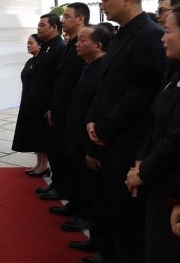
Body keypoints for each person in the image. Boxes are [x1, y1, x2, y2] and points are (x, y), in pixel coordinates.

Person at [86, 0, 166, 263]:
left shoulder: (150, 35)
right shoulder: (122, 34)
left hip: (130, 142)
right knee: (113, 208)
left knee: (130, 217)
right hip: (109, 138)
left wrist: (104, 127)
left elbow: (141, 95)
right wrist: (92, 121)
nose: (103, 5)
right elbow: (106, 84)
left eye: (106, 0)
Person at [125, 3, 180, 263]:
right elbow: (156, 123)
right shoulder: (177, 73)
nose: (163, 38)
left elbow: (176, 138)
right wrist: (141, 161)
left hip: (174, 182)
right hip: (158, 178)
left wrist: (142, 173)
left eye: (168, 31)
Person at [63, 25, 114, 262]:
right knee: (87, 188)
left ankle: (102, 243)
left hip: (92, 143)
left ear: (98, 45)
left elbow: (99, 109)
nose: (77, 44)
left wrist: (92, 148)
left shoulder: (105, 68)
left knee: (97, 195)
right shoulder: (89, 65)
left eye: (82, 40)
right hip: (78, 138)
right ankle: (95, 237)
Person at [44, 2, 88, 208]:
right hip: (61, 109)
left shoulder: (83, 44)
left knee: (72, 158)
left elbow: (79, 83)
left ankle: (75, 200)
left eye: (67, 17)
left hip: (73, 112)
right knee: (59, 152)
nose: (63, 20)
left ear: (80, 19)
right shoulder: (70, 43)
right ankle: (61, 186)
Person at [28, 14, 65, 190]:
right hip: (39, 105)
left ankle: (59, 184)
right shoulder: (48, 47)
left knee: (54, 148)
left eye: (42, 25)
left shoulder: (59, 48)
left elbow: (59, 81)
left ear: (54, 28)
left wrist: (52, 107)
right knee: (46, 144)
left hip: (48, 107)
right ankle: (56, 183)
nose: (39, 28)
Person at [12, 34, 49, 173]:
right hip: (28, 102)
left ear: (40, 45)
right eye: (27, 43)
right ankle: (39, 163)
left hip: (39, 104)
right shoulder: (30, 61)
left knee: (40, 135)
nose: (28, 45)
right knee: (33, 134)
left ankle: (44, 166)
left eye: (31, 43)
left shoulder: (43, 61)